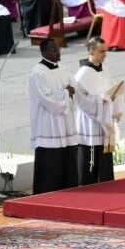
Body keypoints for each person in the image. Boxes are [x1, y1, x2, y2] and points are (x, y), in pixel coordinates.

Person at [29, 39, 78, 194]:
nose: (58, 52)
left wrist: (69, 93)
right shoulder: (37, 73)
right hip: (48, 125)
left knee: (67, 159)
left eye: (58, 49)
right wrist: (65, 93)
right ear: (44, 52)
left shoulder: (62, 68)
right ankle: (46, 194)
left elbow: (74, 86)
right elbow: (45, 98)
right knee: (51, 162)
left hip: (65, 123)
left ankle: (68, 191)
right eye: (54, 50)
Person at [72, 37, 121, 185]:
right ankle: (87, 186)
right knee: (89, 158)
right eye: (102, 51)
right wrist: (102, 102)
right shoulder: (82, 74)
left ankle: (106, 183)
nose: (105, 54)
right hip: (90, 122)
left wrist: (114, 100)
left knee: (105, 159)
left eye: (105, 51)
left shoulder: (105, 70)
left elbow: (111, 91)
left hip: (105, 122)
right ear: (91, 51)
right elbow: (81, 100)